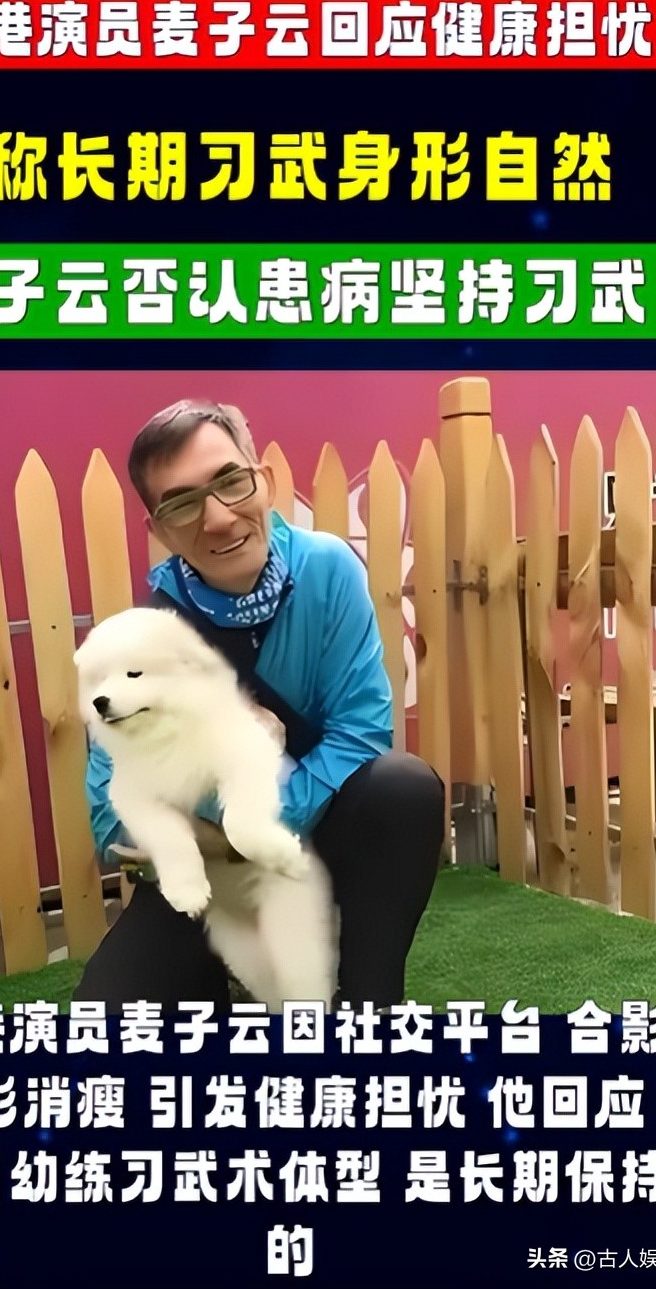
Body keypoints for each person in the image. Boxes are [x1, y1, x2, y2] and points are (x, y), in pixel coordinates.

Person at [74, 399, 445, 1012]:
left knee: (401, 790)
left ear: (263, 481)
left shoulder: (328, 571)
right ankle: (230, 973)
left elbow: (360, 734)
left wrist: (253, 827)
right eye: (181, 503)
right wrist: (222, 845)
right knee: (111, 1020)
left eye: (230, 481)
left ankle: (368, 1006)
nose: (218, 519)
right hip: (206, 878)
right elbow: (110, 819)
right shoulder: (145, 636)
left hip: (313, 842)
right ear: (159, 530)